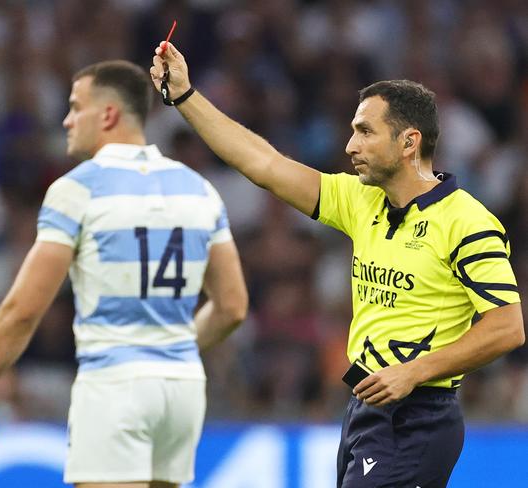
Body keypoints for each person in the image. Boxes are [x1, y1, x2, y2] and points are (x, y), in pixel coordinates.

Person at [151, 43, 524, 487]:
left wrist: (414, 371)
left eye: (365, 131)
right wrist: (186, 95)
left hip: (418, 414)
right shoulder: (359, 199)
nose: (350, 145)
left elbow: (508, 327)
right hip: (366, 409)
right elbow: (263, 164)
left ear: (409, 142)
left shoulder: (467, 221)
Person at [0, 59, 248, 488]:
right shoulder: (199, 189)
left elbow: (22, 309)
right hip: (182, 390)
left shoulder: (77, 188)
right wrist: (173, 347)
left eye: (76, 107)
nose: (66, 119)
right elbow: (233, 307)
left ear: (108, 114)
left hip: (115, 384)